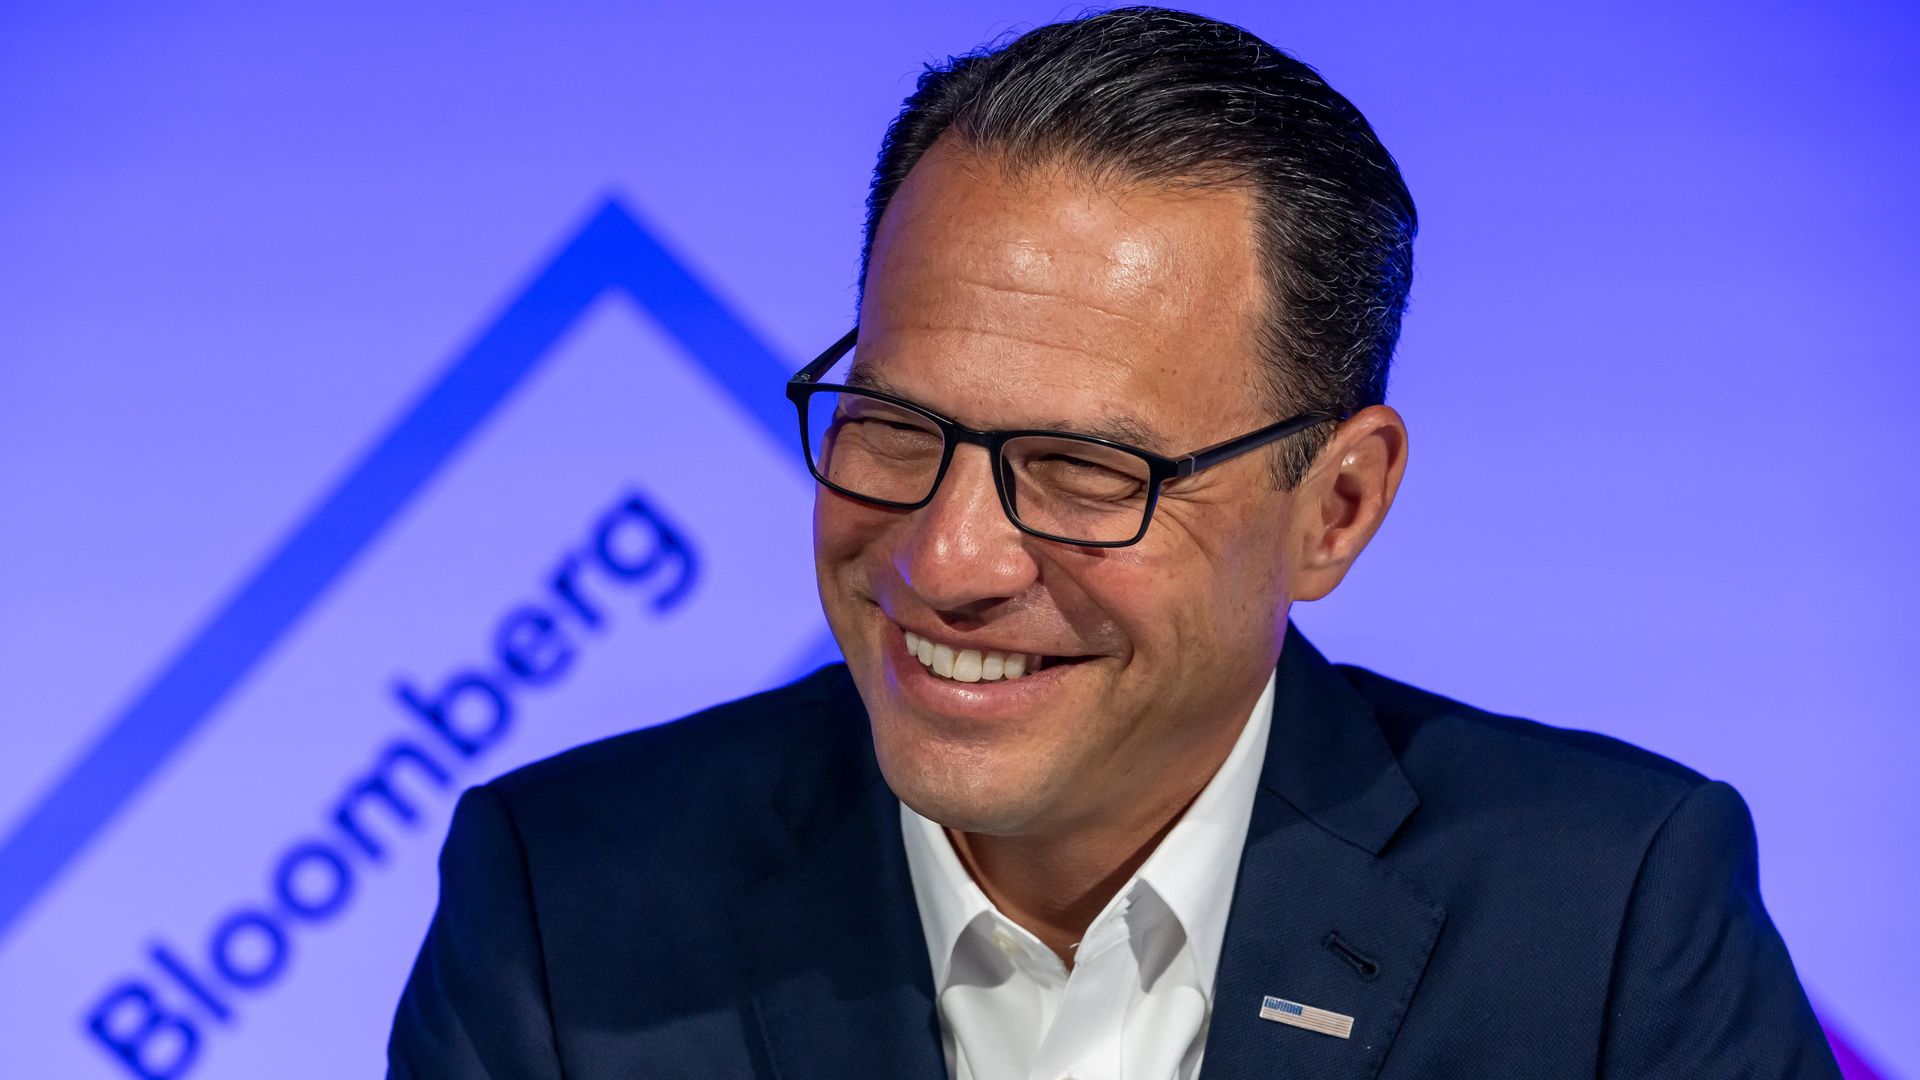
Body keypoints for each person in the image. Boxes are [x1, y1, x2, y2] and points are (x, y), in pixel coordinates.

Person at [388, 8, 1840, 1078]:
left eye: (1085, 470)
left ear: (1338, 505)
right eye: (895, 426)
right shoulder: (561, 905)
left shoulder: (1604, 918)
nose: (949, 557)